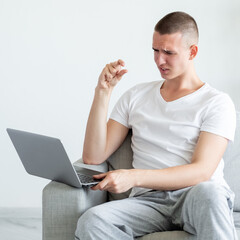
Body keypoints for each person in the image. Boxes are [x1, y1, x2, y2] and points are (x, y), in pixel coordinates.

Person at [75, 11, 237, 240]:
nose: (159, 60)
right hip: (148, 202)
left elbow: (201, 171)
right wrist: (103, 92)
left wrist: (133, 177)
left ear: (192, 52)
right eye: (155, 50)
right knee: (92, 222)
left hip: (196, 196)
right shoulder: (136, 96)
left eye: (169, 52)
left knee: (210, 192)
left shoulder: (216, 102)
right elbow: (93, 156)